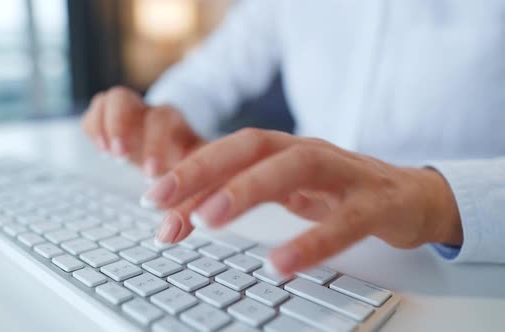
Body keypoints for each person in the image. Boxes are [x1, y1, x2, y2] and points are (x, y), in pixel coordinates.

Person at [82, 1, 505, 276]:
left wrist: (435, 201)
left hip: (467, 277)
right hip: (304, 258)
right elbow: (209, 74)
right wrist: (160, 119)